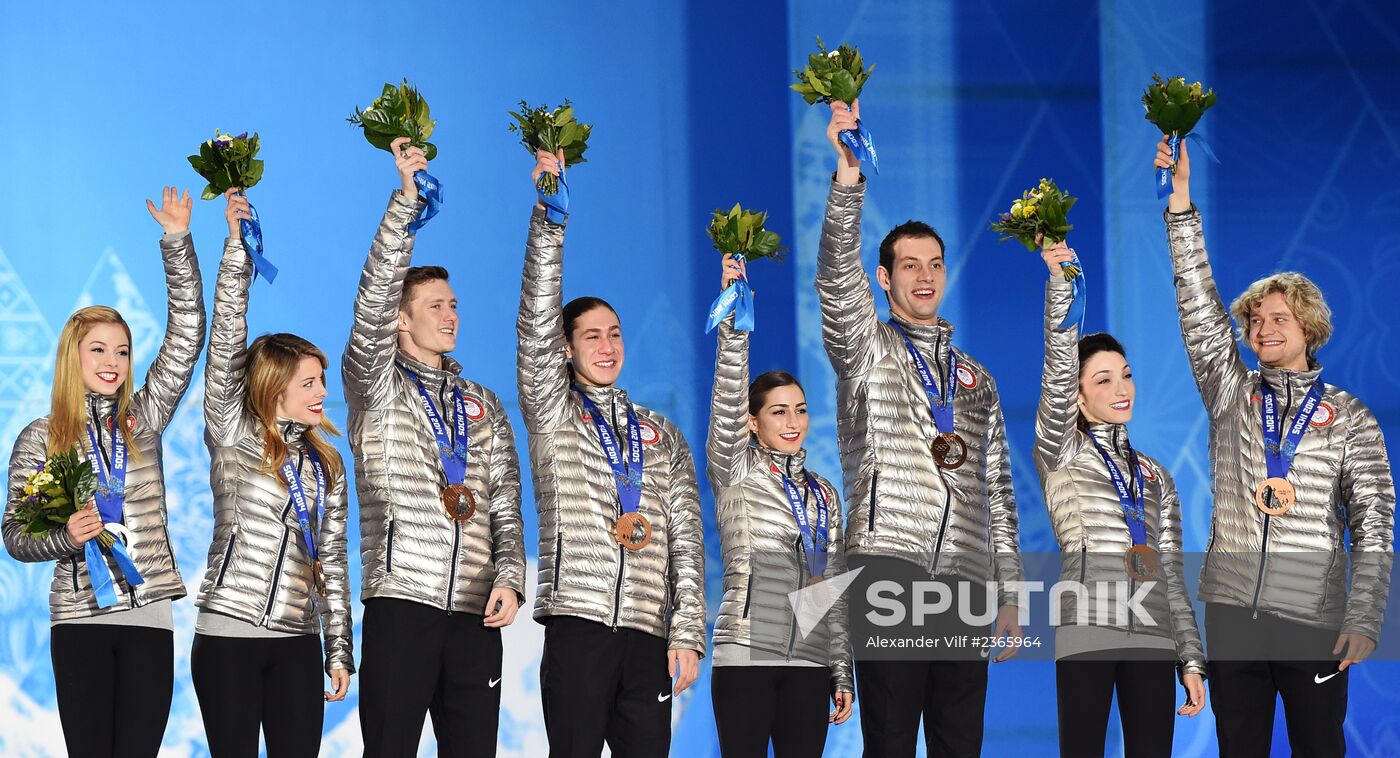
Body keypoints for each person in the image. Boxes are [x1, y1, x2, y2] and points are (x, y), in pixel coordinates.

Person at [1158, 137, 1394, 757]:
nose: (1262, 330)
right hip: (1234, 612)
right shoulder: (1232, 394)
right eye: (1255, 321)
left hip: (1312, 615)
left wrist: (1365, 617)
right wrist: (1180, 205)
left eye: (1277, 319)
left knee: (1319, 747)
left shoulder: (1349, 417)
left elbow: (1375, 525)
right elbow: (1198, 310)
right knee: (1239, 748)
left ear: (1308, 328)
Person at [812, 99, 1023, 758]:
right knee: (893, 742)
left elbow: (997, 491)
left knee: (961, 743)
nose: (925, 276)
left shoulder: (976, 380)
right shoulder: (865, 347)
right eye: (910, 265)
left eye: (934, 264)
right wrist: (848, 178)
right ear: (884, 278)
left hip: (962, 578)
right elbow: (834, 283)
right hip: (888, 568)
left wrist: (1008, 591)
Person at [3, 187, 205, 757]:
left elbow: (188, 334)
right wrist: (67, 535)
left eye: (121, 351)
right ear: (74, 357)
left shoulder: (145, 419)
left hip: (149, 616)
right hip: (79, 618)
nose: (112, 362)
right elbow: (15, 535)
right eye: (98, 350)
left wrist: (177, 242)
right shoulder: (41, 437)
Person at [517, 148, 706, 757]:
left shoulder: (662, 434)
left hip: (648, 634)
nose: (607, 345)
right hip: (579, 623)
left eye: (615, 333)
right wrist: (551, 214)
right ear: (565, 350)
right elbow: (534, 321)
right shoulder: (553, 411)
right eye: (591, 336)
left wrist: (686, 633)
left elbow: (685, 538)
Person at [344, 137, 526, 757]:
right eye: (433, 306)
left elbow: (504, 498)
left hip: (477, 610)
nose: (449, 315)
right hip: (404, 602)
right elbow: (370, 301)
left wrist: (509, 577)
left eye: (453, 304)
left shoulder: (484, 402)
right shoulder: (374, 383)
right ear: (400, 318)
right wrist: (405, 202)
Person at [191, 189, 354, 755]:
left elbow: (330, 561)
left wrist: (338, 648)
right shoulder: (233, 434)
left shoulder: (327, 465)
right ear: (273, 387)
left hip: (297, 641)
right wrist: (238, 251)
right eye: (308, 383)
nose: (322, 393)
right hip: (228, 634)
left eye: (322, 381)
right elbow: (226, 340)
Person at [1031, 240, 1206, 757]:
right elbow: (1056, 367)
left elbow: (1172, 573)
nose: (1121, 387)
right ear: (1078, 397)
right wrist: (1061, 284)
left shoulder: (1156, 475)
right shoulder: (1060, 450)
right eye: (1103, 380)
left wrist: (1192, 662)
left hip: (1152, 632)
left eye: (1125, 374)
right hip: (1087, 623)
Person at [706, 254, 854, 757]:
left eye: (801, 410)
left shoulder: (824, 493)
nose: (793, 422)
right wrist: (733, 319)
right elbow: (728, 397)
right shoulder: (736, 468)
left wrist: (841, 671)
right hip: (747, 651)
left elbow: (831, 587)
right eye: (778, 411)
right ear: (751, 421)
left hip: (809, 663)